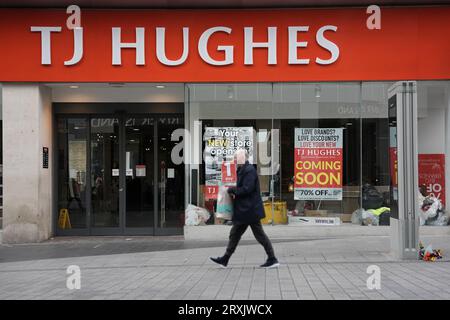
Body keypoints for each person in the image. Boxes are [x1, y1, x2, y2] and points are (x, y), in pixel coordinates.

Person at [209, 149, 280, 269]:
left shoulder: (249, 170)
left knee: (258, 235)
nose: (235, 160)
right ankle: (225, 259)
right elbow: (241, 186)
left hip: (249, 210)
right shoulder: (243, 169)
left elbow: (247, 188)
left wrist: (232, 190)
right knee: (235, 234)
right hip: (246, 210)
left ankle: (272, 259)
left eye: (237, 157)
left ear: (243, 158)